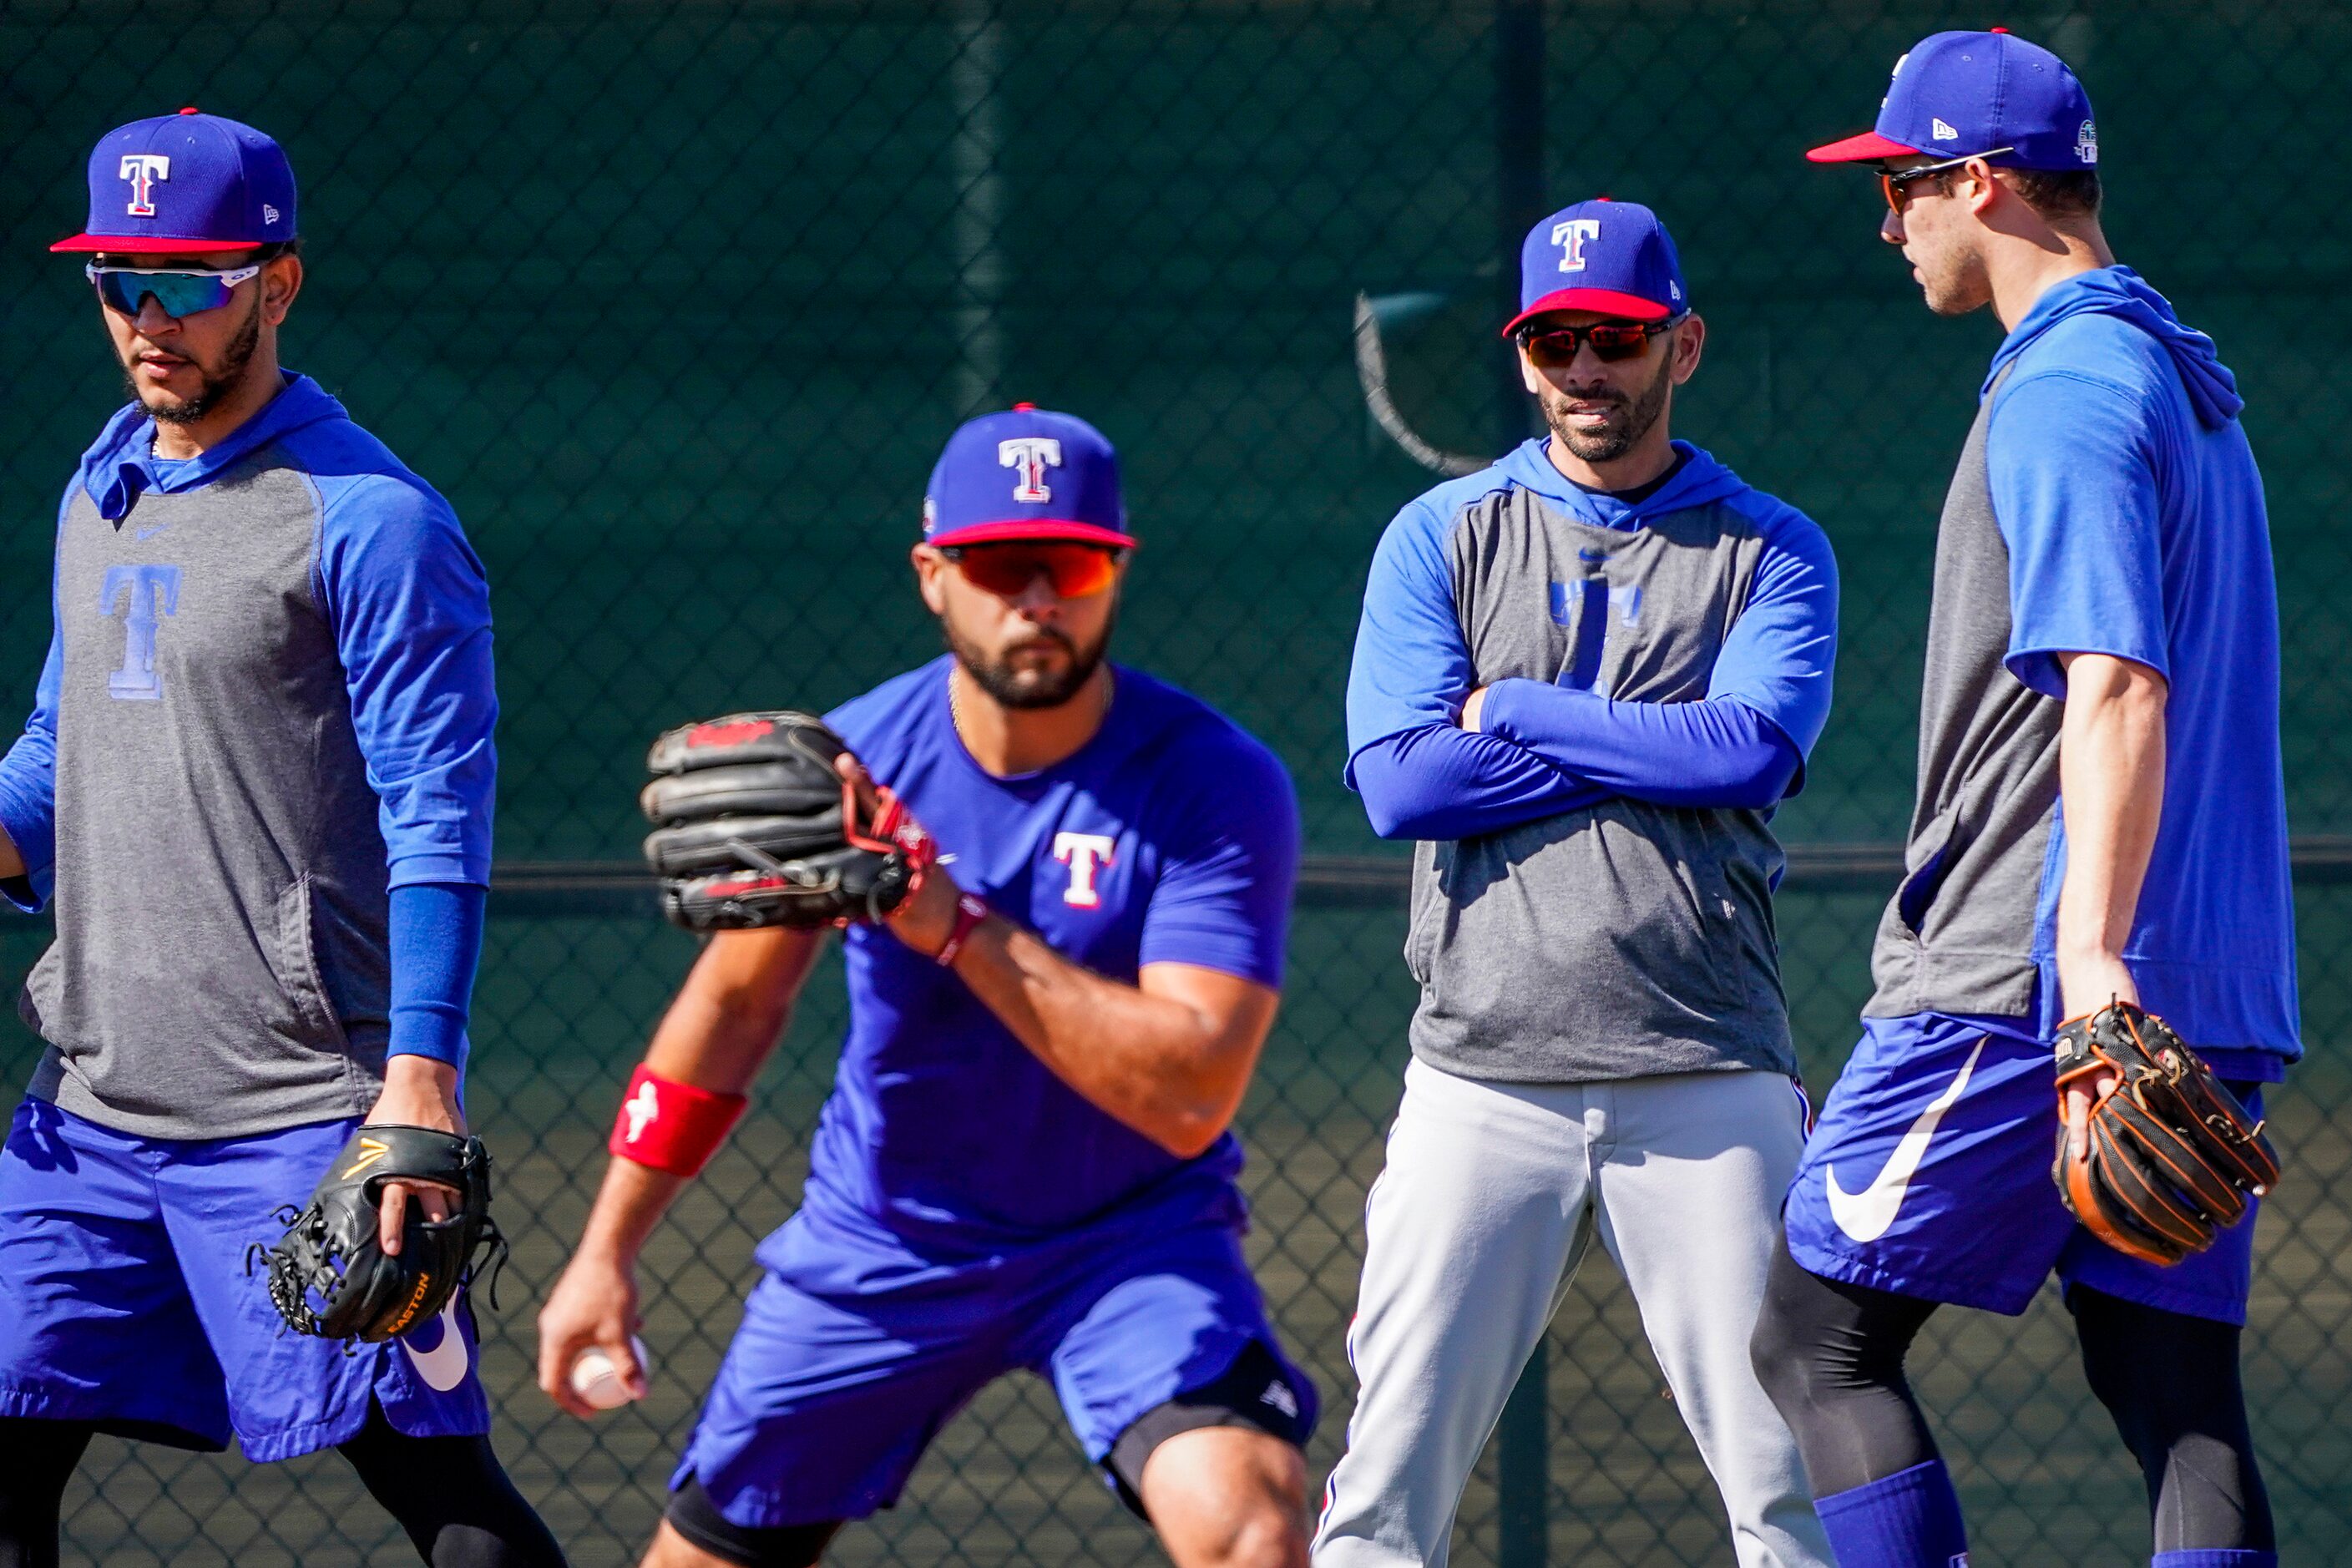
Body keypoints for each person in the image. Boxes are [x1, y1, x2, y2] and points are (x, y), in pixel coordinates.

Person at [537, 405, 1319, 1568]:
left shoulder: (1210, 782)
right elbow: (732, 1009)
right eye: (1002, 565)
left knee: (1251, 1524)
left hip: (1128, 1238)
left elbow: (1191, 1089)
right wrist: (605, 1249)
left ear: (1117, 572)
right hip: (889, 1238)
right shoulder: (847, 767)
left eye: (1073, 563)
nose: (1038, 598)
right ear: (932, 576)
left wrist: (946, 920)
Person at [1753, 31, 2295, 1568]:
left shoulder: (2065, 386)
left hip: (2028, 977)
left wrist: (2086, 971)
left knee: (1815, 1340)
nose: (1888, 220)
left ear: (1982, 182)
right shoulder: (2187, 384)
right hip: (2206, 976)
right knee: (2167, 1381)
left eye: (1905, 184)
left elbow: (2116, 684)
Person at [0, 112, 564, 1566]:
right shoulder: (100, 484)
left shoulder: (372, 519)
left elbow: (439, 810)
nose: (146, 317)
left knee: (446, 1508)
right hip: (93, 1108)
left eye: (187, 281)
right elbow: (55, 770)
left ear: (278, 283)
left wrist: (418, 1093)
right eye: (119, 280)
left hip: (306, 1111)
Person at [1313, 200, 1838, 1568]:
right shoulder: (1441, 532)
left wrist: (1517, 709)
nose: (1583, 370)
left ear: (1682, 344)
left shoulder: (1768, 545)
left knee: (1788, 1481)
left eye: (1614, 338)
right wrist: (1653, 753)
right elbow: (1400, 784)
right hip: (1479, 1078)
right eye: (1553, 342)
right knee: (1381, 1491)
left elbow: (1752, 749)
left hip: (1704, 1065)